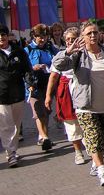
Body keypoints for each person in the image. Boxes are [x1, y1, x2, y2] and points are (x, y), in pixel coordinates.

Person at [53, 21, 104, 187]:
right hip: (85, 106)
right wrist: (67, 52)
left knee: (103, 139)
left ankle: (96, 163)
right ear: (83, 36)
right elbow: (57, 65)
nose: (93, 36)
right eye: (89, 33)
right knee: (93, 137)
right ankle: (102, 170)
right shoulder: (78, 55)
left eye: (95, 32)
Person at [45, 27, 86, 165]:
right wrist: (48, 96)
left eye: (73, 39)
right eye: (67, 39)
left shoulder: (85, 53)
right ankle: (78, 151)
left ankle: (91, 149)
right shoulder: (61, 55)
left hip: (82, 88)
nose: (70, 41)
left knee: (85, 121)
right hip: (66, 90)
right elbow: (53, 77)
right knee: (71, 123)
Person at [0, 24, 36, 167]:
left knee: (16, 125)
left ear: (8, 36)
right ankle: (10, 154)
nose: (1, 37)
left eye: (3, 34)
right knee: (5, 126)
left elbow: (27, 69)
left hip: (17, 94)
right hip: (1, 95)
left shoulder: (19, 52)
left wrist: (30, 82)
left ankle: (13, 149)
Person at [25, 23, 56, 151]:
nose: (42, 39)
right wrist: (33, 68)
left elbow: (59, 58)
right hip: (33, 85)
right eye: (39, 36)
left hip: (48, 84)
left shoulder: (50, 48)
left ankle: (44, 136)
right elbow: (23, 68)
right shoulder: (28, 50)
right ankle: (44, 137)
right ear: (34, 36)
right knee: (38, 112)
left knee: (46, 111)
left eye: (44, 36)